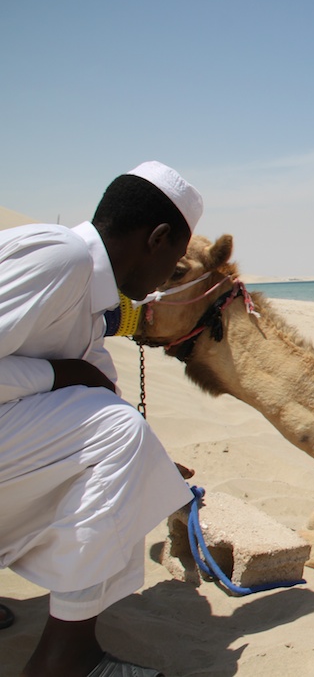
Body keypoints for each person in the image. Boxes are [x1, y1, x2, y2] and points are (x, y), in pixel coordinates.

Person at [0, 162, 203, 676]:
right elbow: (94, 410)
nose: (160, 286)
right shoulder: (61, 259)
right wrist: (56, 374)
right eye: (174, 263)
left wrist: (147, 459)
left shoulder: (90, 306)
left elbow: (97, 399)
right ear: (156, 240)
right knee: (119, 435)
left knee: (122, 439)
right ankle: (66, 663)